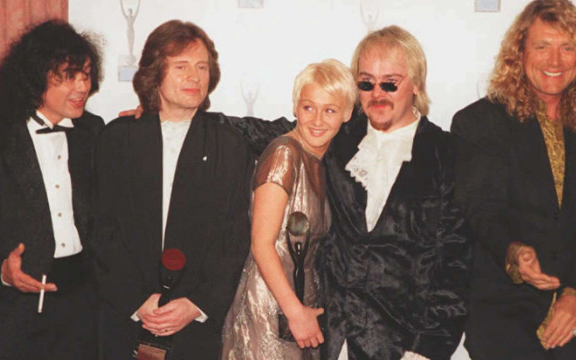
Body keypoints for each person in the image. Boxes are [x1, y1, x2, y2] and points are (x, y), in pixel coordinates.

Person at [222, 25, 472, 360]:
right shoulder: (337, 134)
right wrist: (177, 114)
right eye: (366, 82)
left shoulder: (447, 153)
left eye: (390, 83)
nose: (377, 93)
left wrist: (427, 348)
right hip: (331, 335)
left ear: (416, 84)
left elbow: (455, 262)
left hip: (401, 342)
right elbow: (262, 131)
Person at [451, 1, 576, 359]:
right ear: (520, 52)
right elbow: (482, 209)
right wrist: (515, 251)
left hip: (570, 317)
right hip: (501, 318)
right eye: (542, 46)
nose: (554, 61)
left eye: (567, 48)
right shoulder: (479, 122)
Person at [91, 20, 254, 359]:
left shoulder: (229, 144)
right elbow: (99, 227)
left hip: (195, 325)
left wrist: (197, 303)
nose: (194, 77)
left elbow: (234, 236)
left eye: (201, 67)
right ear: (155, 72)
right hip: (125, 317)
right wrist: (137, 299)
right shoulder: (117, 138)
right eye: (181, 67)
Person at [0, 19, 103, 360]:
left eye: (87, 75)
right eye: (68, 76)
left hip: (80, 301)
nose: (82, 86)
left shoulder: (93, 131)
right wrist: (1, 272)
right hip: (10, 311)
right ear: (35, 78)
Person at [222, 59, 356, 360]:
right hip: (270, 305)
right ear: (296, 107)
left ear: (347, 114)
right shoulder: (284, 153)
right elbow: (262, 244)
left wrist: (301, 311)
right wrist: (294, 311)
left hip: (298, 306)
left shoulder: (322, 162)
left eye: (330, 110)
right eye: (309, 107)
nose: (318, 119)